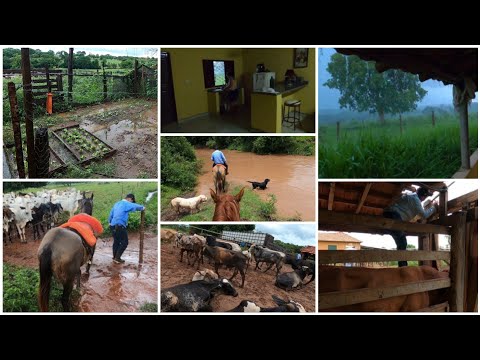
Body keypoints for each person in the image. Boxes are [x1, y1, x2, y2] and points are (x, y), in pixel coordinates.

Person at [383, 186, 438, 267]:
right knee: (402, 241)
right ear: (423, 196)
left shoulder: (411, 196)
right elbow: (424, 215)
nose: (425, 198)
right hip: (394, 215)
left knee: (400, 241)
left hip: (390, 214)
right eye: (425, 196)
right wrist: (434, 207)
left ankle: (402, 266)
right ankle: (403, 267)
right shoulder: (416, 200)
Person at [109, 193, 145, 264]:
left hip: (112, 225)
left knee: (116, 241)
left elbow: (111, 214)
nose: (131, 202)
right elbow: (134, 206)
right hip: (120, 225)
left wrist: (110, 222)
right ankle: (117, 258)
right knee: (124, 242)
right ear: (129, 199)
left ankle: (115, 257)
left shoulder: (117, 204)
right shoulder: (126, 203)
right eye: (132, 201)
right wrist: (142, 208)